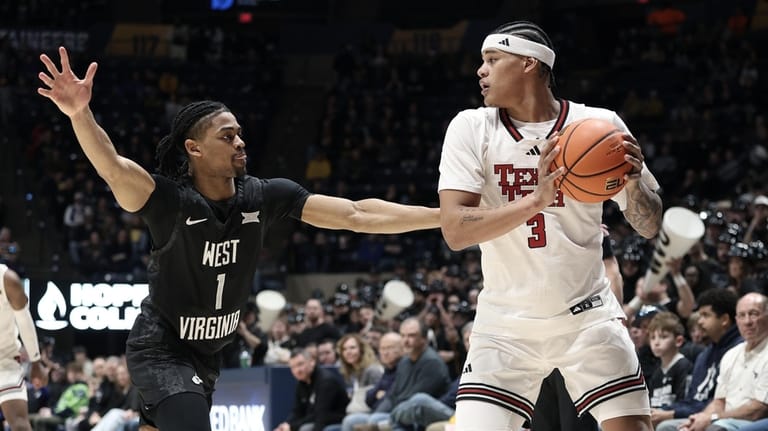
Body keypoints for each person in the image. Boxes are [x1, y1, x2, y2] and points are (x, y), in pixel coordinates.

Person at [38, 47, 440, 431]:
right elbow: (113, 167)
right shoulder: (169, 202)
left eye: (240, 134)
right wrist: (79, 113)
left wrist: (442, 217)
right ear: (193, 148)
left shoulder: (265, 196)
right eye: (227, 136)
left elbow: (356, 214)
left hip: (208, 357)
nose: (240, 142)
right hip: (162, 349)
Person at [436, 21, 663, 431]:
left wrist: (631, 181)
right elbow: (455, 230)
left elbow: (648, 224)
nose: (480, 71)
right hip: (505, 326)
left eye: (492, 60)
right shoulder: (471, 127)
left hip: (587, 318)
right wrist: (536, 200)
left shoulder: (600, 124)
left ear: (528, 63)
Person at [676, 292, 768, 431]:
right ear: (736, 320)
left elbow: (758, 410)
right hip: (725, 420)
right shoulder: (731, 355)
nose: (747, 321)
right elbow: (719, 401)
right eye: (742, 316)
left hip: (755, 422)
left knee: (716, 429)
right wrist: (701, 419)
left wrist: (714, 418)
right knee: (671, 428)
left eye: (754, 314)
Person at [654, 288, 742, 431]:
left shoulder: (738, 349)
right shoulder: (704, 355)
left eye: (706, 315)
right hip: (698, 413)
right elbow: (693, 399)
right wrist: (662, 410)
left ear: (725, 319)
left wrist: (672, 413)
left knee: (666, 427)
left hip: (722, 416)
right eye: (699, 315)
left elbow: (722, 401)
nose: (699, 322)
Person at [0, 264, 48, 431]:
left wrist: (36, 361)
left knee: (20, 425)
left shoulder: (7, 279)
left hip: (4, 362)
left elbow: (24, 320)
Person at [274, 348, 349, 431]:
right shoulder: (302, 382)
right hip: (318, 418)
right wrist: (286, 424)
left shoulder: (326, 381)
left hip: (335, 420)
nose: (297, 370)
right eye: (293, 367)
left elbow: (321, 415)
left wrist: (292, 427)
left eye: (300, 364)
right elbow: (298, 411)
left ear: (312, 362)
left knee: (305, 429)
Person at [646, 311, 693, 410]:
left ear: (678, 341)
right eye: (652, 338)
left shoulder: (684, 366)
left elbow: (685, 402)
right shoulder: (656, 373)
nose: (656, 343)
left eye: (663, 337)